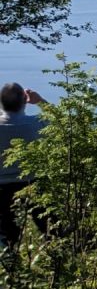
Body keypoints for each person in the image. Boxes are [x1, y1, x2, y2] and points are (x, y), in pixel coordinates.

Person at [0, 82, 47, 249]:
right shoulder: (36, 124)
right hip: (33, 185)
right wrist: (40, 101)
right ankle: (58, 260)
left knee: (7, 239)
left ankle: (10, 264)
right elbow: (61, 123)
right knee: (52, 230)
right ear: (24, 101)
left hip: (2, 189)